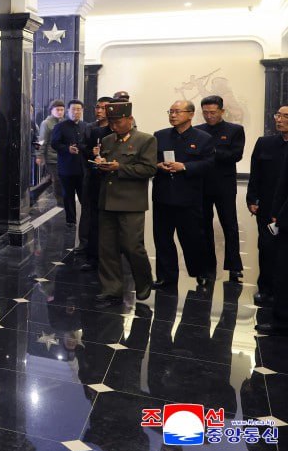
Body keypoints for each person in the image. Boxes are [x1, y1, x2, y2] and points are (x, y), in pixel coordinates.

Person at [92, 100, 155, 306]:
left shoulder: (145, 140)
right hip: (107, 200)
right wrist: (100, 164)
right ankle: (111, 289)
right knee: (107, 248)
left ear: (129, 119)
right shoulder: (107, 140)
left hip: (131, 202)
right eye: (111, 122)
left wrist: (119, 167)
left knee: (132, 246)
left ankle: (144, 281)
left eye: (118, 122)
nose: (114, 126)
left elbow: (149, 169)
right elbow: (104, 166)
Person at [152, 100, 215, 288]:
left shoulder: (203, 138)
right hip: (163, 195)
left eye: (177, 112)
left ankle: (201, 272)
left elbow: (209, 164)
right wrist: (158, 165)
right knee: (162, 239)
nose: (173, 115)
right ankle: (166, 277)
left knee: (193, 238)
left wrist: (185, 166)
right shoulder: (160, 135)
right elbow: (150, 160)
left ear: (191, 114)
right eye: (170, 111)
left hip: (189, 197)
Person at [195, 95, 245, 282]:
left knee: (229, 224)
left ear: (222, 111)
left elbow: (236, 155)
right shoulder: (197, 131)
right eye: (205, 113)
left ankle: (234, 266)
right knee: (203, 225)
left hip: (224, 185)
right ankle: (208, 264)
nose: (209, 116)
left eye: (213, 112)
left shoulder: (235, 130)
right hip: (202, 184)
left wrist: (213, 151)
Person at [246, 104, 288, 306]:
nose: (279, 119)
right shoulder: (265, 143)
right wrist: (251, 199)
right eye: (278, 115)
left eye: (285, 116)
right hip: (267, 206)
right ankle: (265, 289)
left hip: (286, 208)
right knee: (266, 248)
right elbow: (255, 174)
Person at [77, 96, 113, 270]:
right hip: (92, 176)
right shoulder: (92, 128)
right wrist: (91, 152)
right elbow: (83, 147)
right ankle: (90, 251)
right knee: (90, 215)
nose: (99, 111)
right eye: (97, 107)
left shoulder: (119, 130)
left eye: (103, 108)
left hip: (112, 180)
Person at [50, 100, 88, 227]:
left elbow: (88, 143)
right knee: (68, 195)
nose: (76, 112)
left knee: (84, 196)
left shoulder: (85, 126)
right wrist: (67, 149)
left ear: (82, 111)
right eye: (73, 109)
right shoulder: (60, 126)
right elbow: (54, 143)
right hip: (66, 167)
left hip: (82, 167)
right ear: (68, 110)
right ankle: (71, 220)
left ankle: (87, 219)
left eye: (78, 109)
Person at [38, 100, 66, 206]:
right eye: (57, 110)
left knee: (51, 179)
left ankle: (33, 194)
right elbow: (42, 141)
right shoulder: (46, 123)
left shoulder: (64, 122)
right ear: (51, 110)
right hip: (51, 157)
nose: (60, 112)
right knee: (57, 179)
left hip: (63, 157)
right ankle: (61, 201)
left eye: (62, 110)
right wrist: (39, 155)